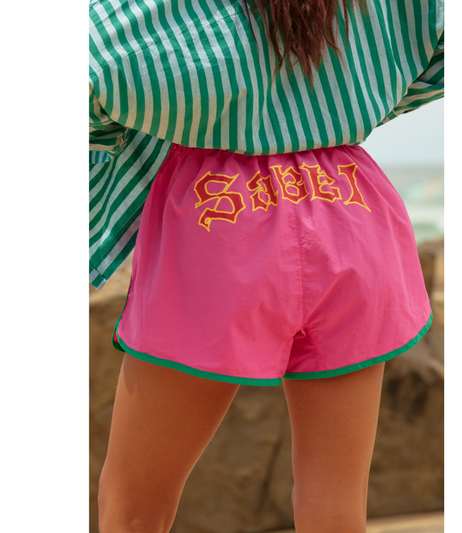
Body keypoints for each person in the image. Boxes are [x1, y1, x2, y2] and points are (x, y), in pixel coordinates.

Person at [89, 0, 443, 531]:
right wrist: (345, 105)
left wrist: (156, 124)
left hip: (220, 220)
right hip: (349, 208)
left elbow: (90, 70)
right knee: (334, 505)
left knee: (134, 504)